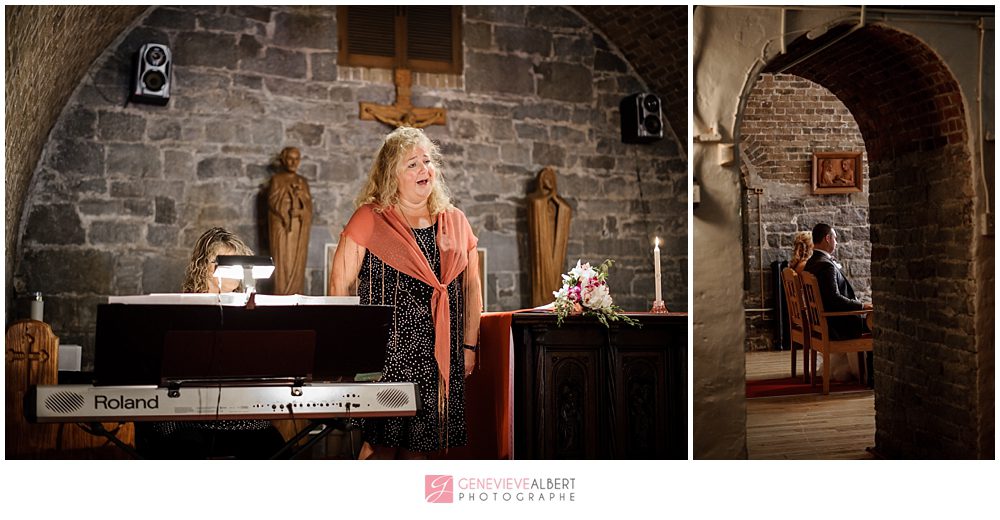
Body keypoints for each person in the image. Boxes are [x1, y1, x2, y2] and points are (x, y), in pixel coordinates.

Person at [329, 126, 481, 459]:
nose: (424, 169)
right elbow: (339, 284)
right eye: (412, 164)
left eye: (427, 161)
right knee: (380, 445)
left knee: (423, 447)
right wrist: (348, 346)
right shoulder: (370, 218)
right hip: (386, 353)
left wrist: (469, 345)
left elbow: (471, 289)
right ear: (391, 174)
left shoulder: (455, 221)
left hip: (439, 352)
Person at [135, 227, 287, 459]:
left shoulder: (249, 312)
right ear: (205, 266)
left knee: (276, 448)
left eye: (235, 265)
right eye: (223, 262)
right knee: (186, 447)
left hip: (236, 409)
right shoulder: (181, 309)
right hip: (184, 409)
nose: (230, 272)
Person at [804, 223, 873, 385]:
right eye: (835, 238)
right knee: (873, 322)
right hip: (837, 324)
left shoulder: (812, 262)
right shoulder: (826, 265)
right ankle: (870, 375)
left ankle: (857, 369)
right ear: (827, 238)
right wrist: (862, 306)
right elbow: (834, 299)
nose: (837, 242)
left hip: (823, 322)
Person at [268, 146, 313, 295]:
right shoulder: (276, 180)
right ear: (283, 160)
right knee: (281, 260)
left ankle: (295, 292)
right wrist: (285, 214)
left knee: (297, 263)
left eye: (297, 159)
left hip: (298, 228)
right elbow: (273, 202)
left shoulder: (302, 182)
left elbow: (308, 207)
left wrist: (300, 210)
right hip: (281, 225)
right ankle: (280, 292)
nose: (293, 162)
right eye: (290, 158)